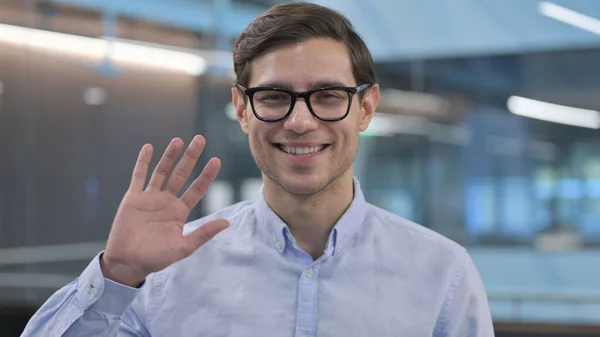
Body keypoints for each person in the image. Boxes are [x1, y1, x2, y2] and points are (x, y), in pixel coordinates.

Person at [22, 2, 494, 336]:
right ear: (242, 109)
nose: (301, 121)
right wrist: (118, 274)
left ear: (366, 107)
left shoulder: (441, 275)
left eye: (328, 96)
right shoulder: (166, 271)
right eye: (274, 97)